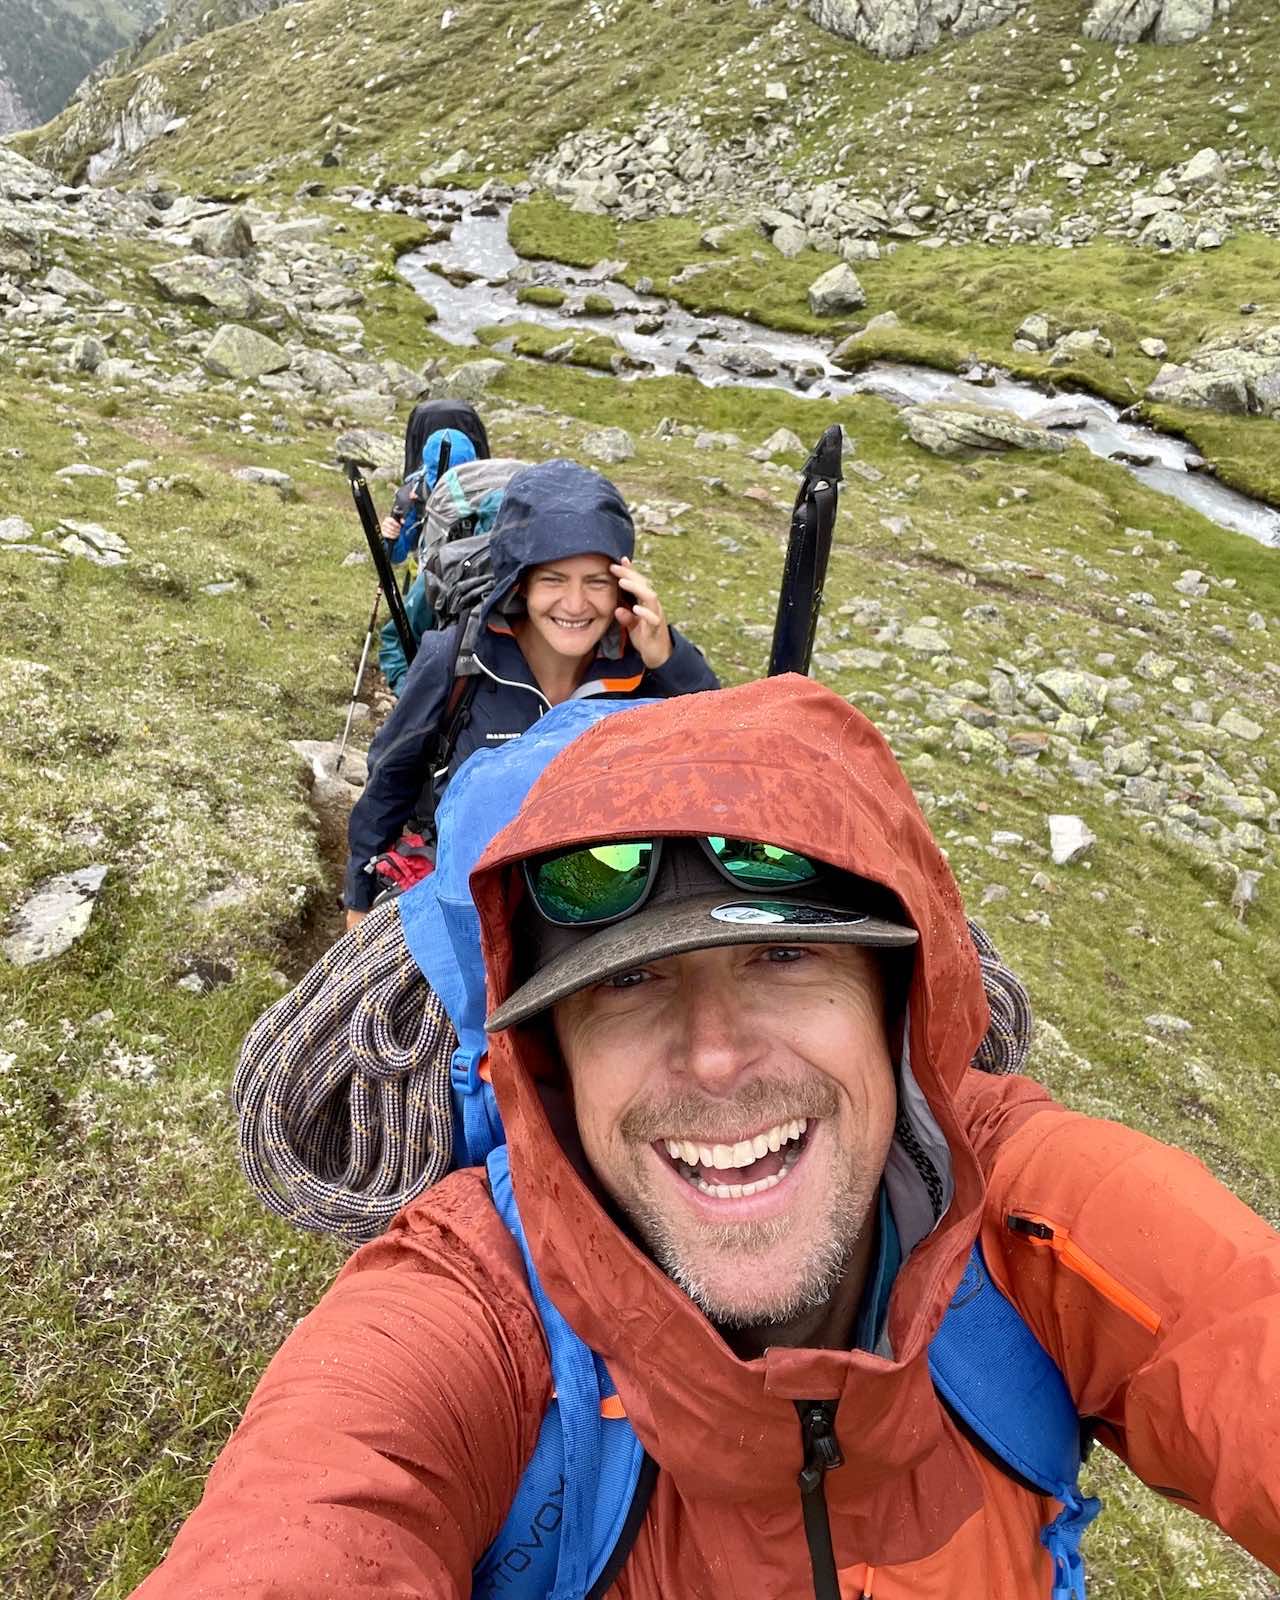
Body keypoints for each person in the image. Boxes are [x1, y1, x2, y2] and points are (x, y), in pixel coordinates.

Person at [131, 678, 1280, 1597]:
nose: (717, 1054)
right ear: (545, 1067)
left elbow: (1236, 1329)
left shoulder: (1030, 1211)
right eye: (623, 982)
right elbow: (314, 1517)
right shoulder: (466, 1313)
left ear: (899, 1005)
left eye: (784, 955)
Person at [342, 458, 719, 924]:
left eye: (597, 582)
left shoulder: (645, 668)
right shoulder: (459, 656)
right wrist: (358, 901)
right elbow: (389, 778)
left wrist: (667, 658)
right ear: (519, 582)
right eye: (554, 580)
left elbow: (719, 746)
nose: (576, 604)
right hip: (466, 907)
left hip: (600, 911)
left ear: (624, 586)